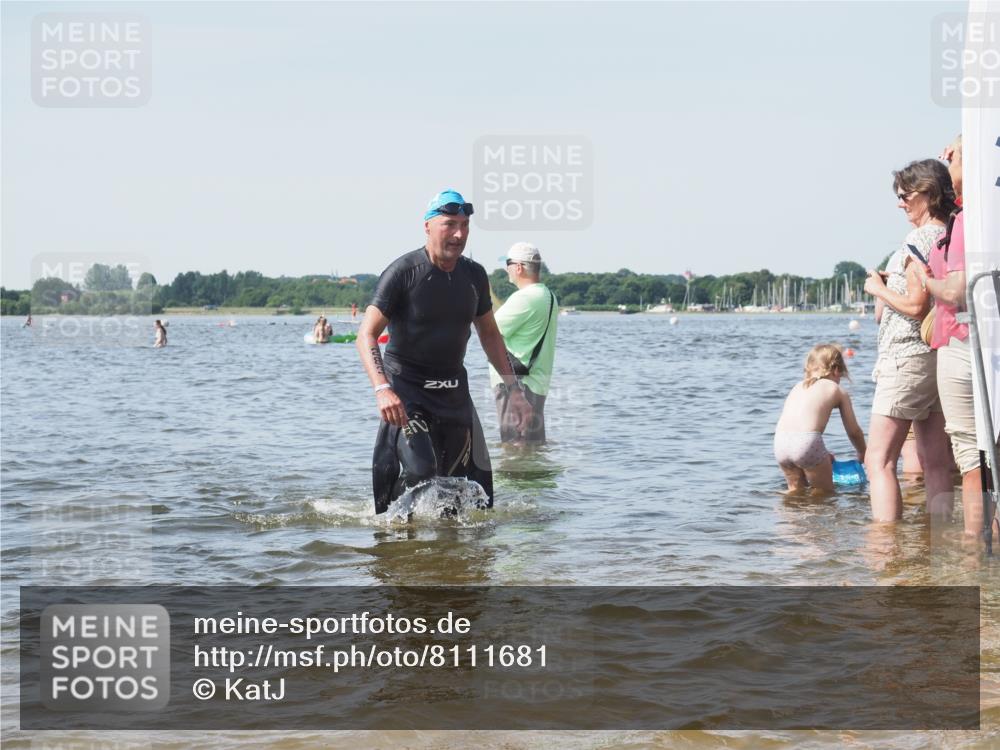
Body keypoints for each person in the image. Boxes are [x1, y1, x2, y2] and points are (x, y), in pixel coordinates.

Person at [355, 189, 532, 514]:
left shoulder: (473, 275)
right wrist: (382, 390)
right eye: (450, 224)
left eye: (465, 225)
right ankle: (398, 542)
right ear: (428, 226)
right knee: (422, 471)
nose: (459, 234)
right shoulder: (403, 273)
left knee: (473, 495)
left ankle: (452, 560)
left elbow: (490, 335)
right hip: (408, 397)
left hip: (454, 396)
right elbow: (366, 335)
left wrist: (515, 390)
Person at [863, 159, 957, 522]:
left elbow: (918, 307)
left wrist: (876, 289)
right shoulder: (950, 232)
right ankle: (940, 537)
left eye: (905, 195)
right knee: (936, 461)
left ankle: (885, 550)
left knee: (879, 459)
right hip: (936, 355)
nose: (900, 203)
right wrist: (888, 291)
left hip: (906, 356)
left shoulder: (918, 239)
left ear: (927, 194)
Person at [912, 135, 991, 537]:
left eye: (953, 155)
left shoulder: (968, 220)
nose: (946, 159)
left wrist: (926, 279)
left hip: (963, 340)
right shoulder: (974, 213)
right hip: (973, 338)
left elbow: (958, 288)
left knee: (972, 453)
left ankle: (975, 550)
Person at [488, 243, 559, 444]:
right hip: (535, 383)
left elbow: (489, 330)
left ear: (518, 267)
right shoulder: (548, 295)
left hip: (517, 386)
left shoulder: (525, 298)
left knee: (514, 450)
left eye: (508, 264)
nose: (506, 269)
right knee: (532, 451)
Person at [773, 344, 867, 493]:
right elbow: (854, 431)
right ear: (836, 370)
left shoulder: (798, 386)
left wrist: (820, 453)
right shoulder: (836, 389)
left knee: (795, 493)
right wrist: (863, 452)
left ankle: (789, 515)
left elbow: (799, 428)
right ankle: (818, 514)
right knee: (823, 494)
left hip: (780, 443)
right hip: (806, 443)